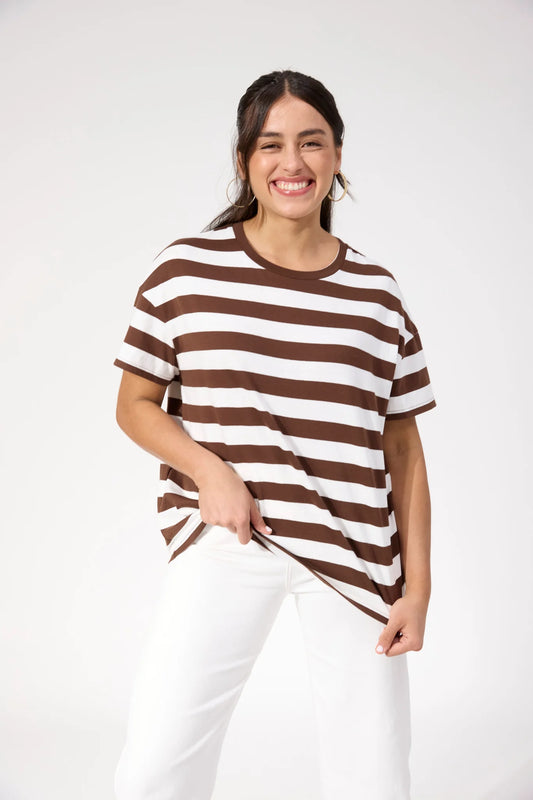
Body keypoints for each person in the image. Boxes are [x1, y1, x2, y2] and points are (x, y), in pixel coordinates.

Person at [112, 69, 436, 800]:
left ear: (338, 155)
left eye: (312, 143)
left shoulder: (376, 294)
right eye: (271, 144)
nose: (293, 162)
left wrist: (417, 590)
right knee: (156, 767)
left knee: (376, 779)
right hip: (229, 538)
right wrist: (210, 471)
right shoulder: (185, 270)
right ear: (243, 160)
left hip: (355, 556)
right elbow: (134, 404)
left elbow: (404, 452)